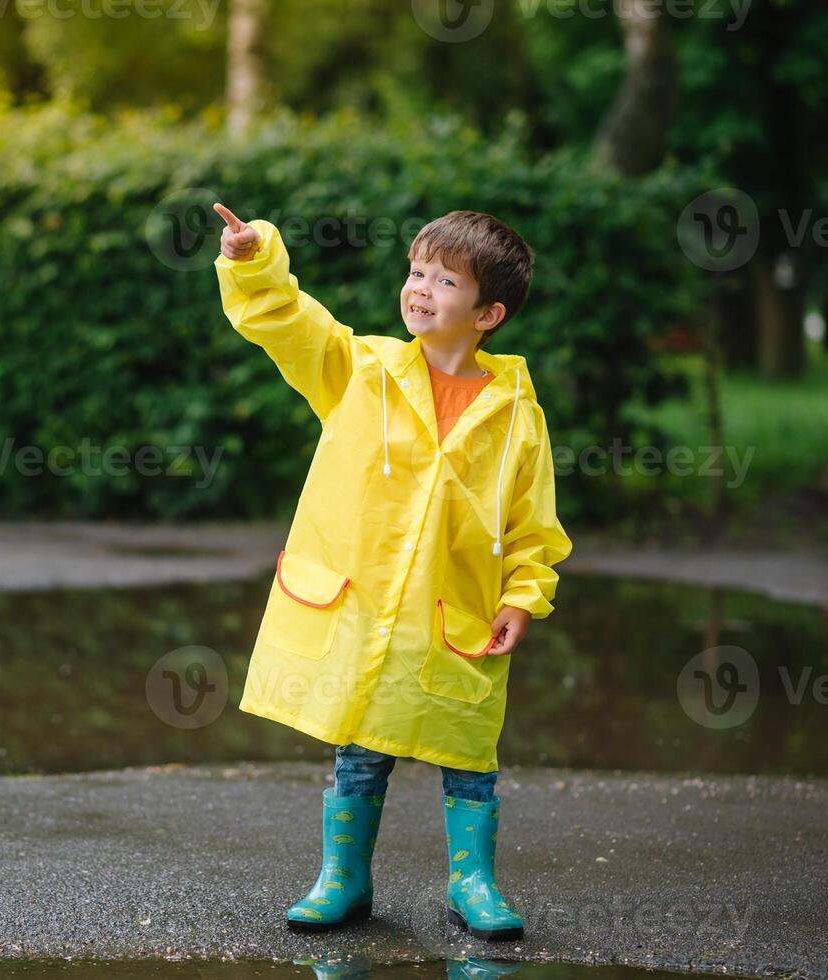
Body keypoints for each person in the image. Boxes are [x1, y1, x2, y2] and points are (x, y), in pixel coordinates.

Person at [211, 202, 572, 941]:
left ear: (489, 313)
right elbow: (289, 321)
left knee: (469, 754)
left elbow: (532, 523)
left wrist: (525, 598)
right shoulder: (359, 369)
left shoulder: (515, 415)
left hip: (456, 615)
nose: (420, 287)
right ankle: (343, 877)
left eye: (445, 279)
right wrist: (254, 259)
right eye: (416, 271)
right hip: (367, 610)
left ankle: (473, 882)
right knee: (360, 749)